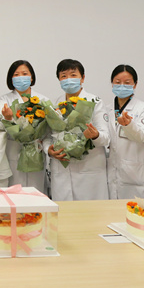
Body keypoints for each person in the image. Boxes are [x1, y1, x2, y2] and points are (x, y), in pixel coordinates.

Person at [47, 59, 110, 201]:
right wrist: (49, 150)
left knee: (89, 212)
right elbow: (47, 136)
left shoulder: (94, 102)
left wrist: (95, 135)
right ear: (59, 79)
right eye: (64, 76)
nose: (68, 79)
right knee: (64, 212)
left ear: (82, 78)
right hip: (62, 170)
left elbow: (105, 137)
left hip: (89, 171)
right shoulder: (55, 104)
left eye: (73, 75)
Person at [0, 59, 49, 193]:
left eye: (25, 74)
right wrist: (9, 119)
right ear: (11, 79)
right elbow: (1, 129)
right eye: (16, 74)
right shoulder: (3, 101)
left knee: (36, 192)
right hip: (13, 151)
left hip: (36, 153)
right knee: (14, 193)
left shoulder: (43, 100)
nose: (20, 77)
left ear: (31, 77)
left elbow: (48, 132)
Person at [105, 65, 144, 199]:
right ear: (112, 83)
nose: (122, 86)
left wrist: (129, 125)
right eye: (117, 82)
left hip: (134, 172)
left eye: (127, 83)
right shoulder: (107, 109)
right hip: (112, 169)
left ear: (135, 84)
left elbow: (143, 136)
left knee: (134, 207)